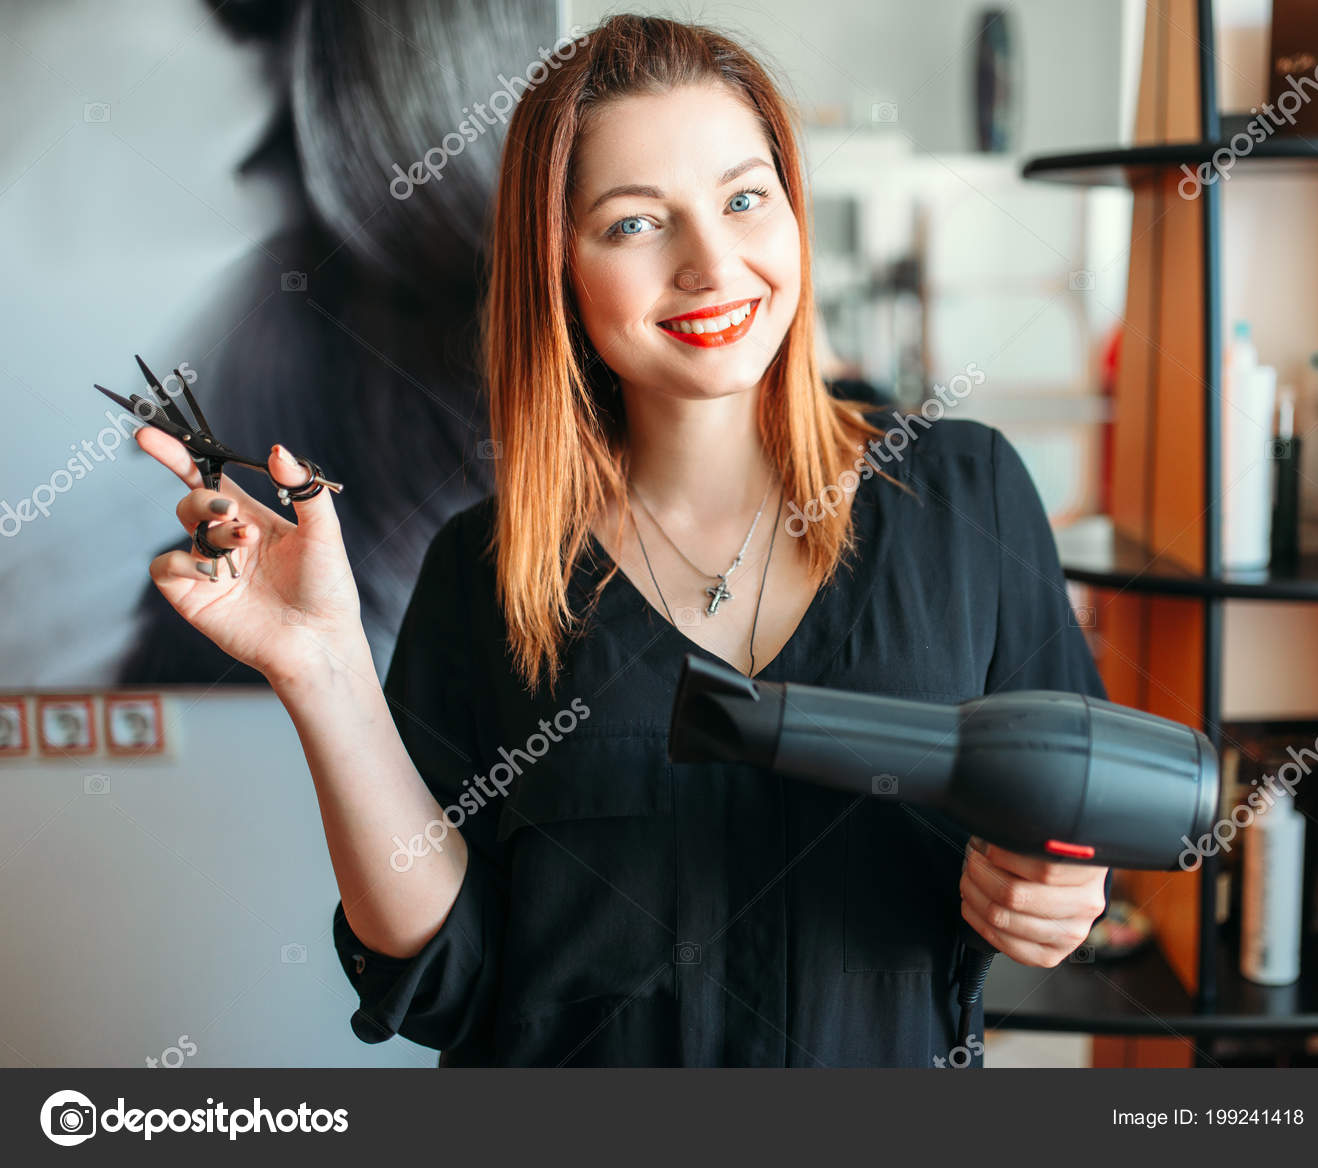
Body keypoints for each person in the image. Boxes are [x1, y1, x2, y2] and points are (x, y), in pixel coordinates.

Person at [132, 13, 1108, 1067]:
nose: (710, 262)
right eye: (636, 224)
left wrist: (1060, 892)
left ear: (792, 213)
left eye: (744, 199)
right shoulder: (485, 571)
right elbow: (445, 980)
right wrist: (324, 672)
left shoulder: (967, 495)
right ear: (558, 270)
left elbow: (1075, 811)